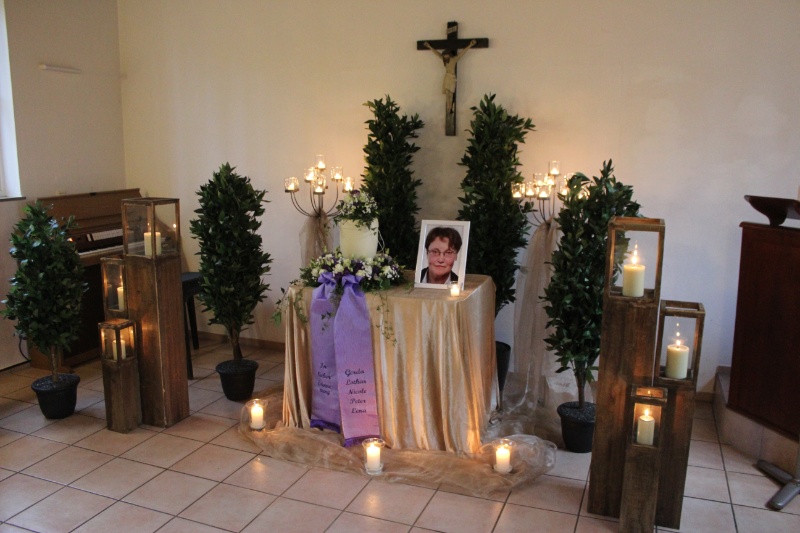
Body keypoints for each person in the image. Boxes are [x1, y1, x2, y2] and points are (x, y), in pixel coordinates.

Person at [424, 40, 477, 116]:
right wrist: (429, 46)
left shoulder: (454, 59)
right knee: (447, 92)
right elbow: (437, 53)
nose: (445, 56)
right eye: (444, 55)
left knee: (451, 92)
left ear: (449, 55)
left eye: (446, 55)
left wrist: (470, 45)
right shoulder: (444, 60)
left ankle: (450, 107)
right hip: (447, 77)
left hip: (452, 78)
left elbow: (462, 53)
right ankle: (448, 107)